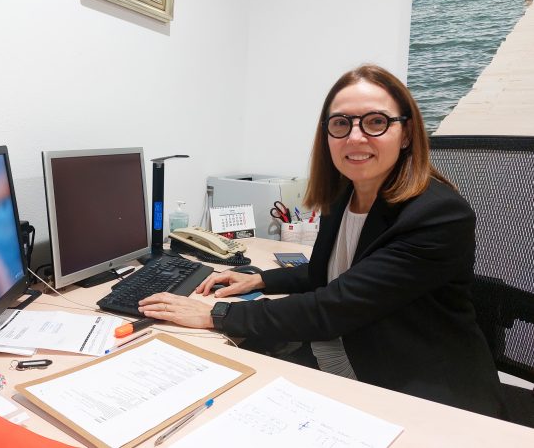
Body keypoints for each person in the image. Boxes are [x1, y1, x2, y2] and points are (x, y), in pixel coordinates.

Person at [139, 64, 507, 419]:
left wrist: (216, 314)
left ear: (407, 133)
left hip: (415, 391)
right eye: (341, 124)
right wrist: (261, 280)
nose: (356, 136)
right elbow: (330, 275)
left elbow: (334, 306)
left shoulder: (437, 215)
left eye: (376, 122)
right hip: (343, 351)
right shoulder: (345, 196)